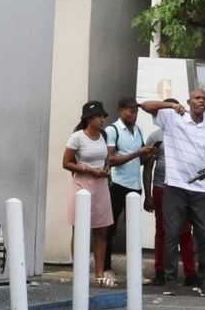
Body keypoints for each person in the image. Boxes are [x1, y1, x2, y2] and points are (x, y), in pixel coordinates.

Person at [141, 89, 205, 296]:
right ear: (189, 101)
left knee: (204, 236)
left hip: (200, 190)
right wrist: (170, 105)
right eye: (197, 98)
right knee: (172, 234)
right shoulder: (172, 117)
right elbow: (145, 105)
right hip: (175, 186)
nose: (201, 101)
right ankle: (169, 281)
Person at [142, 100, 198, 287]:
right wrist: (148, 195)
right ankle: (161, 272)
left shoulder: (187, 132)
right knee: (162, 231)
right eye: (166, 111)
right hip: (161, 188)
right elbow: (148, 167)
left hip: (183, 189)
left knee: (185, 231)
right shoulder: (155, 137)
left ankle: (190, 272)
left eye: (174, 110)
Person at [63, 100, 115, 287]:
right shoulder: (77, 137)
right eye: (98, 117)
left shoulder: (104, 136)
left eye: (102, 117)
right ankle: (80, 271)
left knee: (101, 230)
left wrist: (107, 168)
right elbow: (66, 162)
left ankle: (99, 272)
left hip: (100, 185)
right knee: (80, 229)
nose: (101, 120)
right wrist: (89, 170)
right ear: (88, 119)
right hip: (82, 184)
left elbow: (107, 158)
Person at [102, 96, 155, 277]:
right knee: (111, 227)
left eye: (136, 111)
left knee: (133, 228)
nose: (134, 114)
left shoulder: (138, 130)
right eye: (131, 111)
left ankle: (134, 271)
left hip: (134, 184)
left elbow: (138, 160)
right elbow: (110, 160)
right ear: (121, 110)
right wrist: (137, 153)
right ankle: (107, 267)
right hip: (117, 184)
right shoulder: (112, 130)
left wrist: (148, 154)